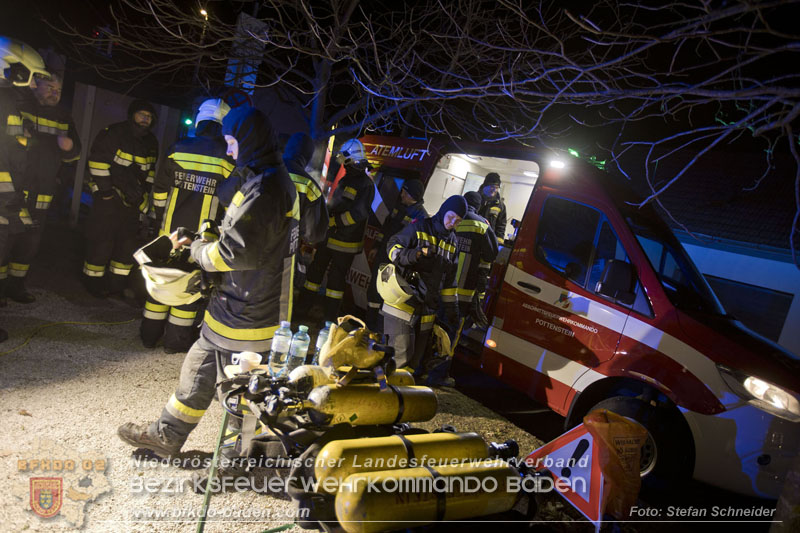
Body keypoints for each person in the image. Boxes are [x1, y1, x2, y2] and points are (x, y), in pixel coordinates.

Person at [117, 106, 299, 457]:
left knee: (242, 397)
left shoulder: (266, 189)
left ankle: (234, 463)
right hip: (235, 302)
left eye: (232, 142)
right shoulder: (263, 179)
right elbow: (244, 236)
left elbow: (235, 254)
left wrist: (197, 251)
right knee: (197, 367)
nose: (229, 151)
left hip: (250, 312)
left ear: (249, 140)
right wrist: (207, 233)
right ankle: (166, 435)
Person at [140, 98, 234, 353]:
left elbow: (159, 191)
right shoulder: (228, 159)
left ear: (200, 120)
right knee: (190, 289)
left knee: (161, 281)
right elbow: (230, 204)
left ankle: (149, 336)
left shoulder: (178, 148)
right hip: (202, 241)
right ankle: (174, 343)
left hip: (168, 232)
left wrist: (157, 218)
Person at [3, 58, 80, 303]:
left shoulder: (63, 117)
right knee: (6, 240)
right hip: (15, 191)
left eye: (58, 90)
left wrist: (68, 148)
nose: (55, 93)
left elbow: (75, 152)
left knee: (30, 244)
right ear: (35, 85)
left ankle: (17, 287)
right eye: (50, 88)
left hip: (43, 192)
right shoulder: (20, 106)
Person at [0, 36, 51, 342]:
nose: (34, 86)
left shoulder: (11, 103)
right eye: (31, 78)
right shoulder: (4, 102)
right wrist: (9, 197)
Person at [82, 99, 158, 298]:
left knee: (126, 246)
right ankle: (93, 282)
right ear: (131, 115)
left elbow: (149, 173)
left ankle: (116, 285)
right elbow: (97, 163)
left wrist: (142, 196)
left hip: (132, 203)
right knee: (102, 242)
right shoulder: (114, 133)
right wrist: (106, 193)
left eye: (149, 116)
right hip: (109, 199)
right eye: (141, 114)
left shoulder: (151, 143)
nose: (145, 119)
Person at [381, 195, 466, 373]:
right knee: (400, 356)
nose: (452, 223)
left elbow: (450, 282)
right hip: (403, 302)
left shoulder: (453, 244)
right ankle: (381, 395)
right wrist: (415, 255)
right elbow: (392, 247)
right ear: (443, 210)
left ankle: (401, 396)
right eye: (451, 216)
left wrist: (453, 313)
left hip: (427, 309)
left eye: (457, 221)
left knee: (414, 363)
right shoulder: (419, 227)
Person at [297, 138, 374, 324]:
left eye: (343, 159)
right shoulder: (348, 178)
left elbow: (358, 214)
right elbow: (337, 204)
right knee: (314, 276)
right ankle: (301, 312)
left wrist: (334, 221)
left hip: (345, 244)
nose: (342, 163)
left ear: (351, 159)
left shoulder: (366, 184)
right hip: (329, 238)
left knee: (335, 283)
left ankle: (329, 323)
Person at [366, 178, 427, 331]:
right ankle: (368, 328)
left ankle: (379, 332)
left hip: (396, 265)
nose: (401, 195)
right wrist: (376, 246)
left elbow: (415, 245)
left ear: (412, 195)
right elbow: (386, 229)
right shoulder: (398, 208)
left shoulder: (421, 217)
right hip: (382, 257)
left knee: (386, 298)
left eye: (405, 193)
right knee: (373, 293)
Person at [453, 190, 498, 335]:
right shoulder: (482, 226)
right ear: (478, 206)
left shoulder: (450, 217)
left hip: (440, 283)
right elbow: (491, 255)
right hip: (463, 290)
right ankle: (444, 355)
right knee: (453, 328)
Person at [283, 132, 328, 247]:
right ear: (307, 156)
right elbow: (312, 235)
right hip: (284, 252)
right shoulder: (310, 186)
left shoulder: (264, 169)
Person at [477, 172, 507, 244]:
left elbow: (501, 227)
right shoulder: (474, 199)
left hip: (487, 243)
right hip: (471, 238)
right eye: (492, 187)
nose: (494, 190)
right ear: (485, 186)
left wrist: (498, 244)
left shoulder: (500, 206)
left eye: (496, 188)